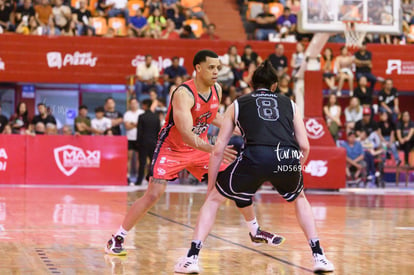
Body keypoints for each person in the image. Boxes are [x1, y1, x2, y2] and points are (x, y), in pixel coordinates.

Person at [174, 60, 334, 273]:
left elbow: (219, 148)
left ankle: (191, 259)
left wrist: (212, 185)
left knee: (213, 200)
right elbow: (304, 146)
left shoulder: (239, 103)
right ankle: (319, 257)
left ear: (252, 85)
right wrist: (295, 168)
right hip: (286, 156)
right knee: (300, 198)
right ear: (275, 86)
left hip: (256, 156)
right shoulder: (290, 104)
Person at [105, 50, 238, 256]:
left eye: (218, 68)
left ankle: (253, 229)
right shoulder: (183, 93)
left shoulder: (217, 89)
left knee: (230, 181)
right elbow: (185, 134)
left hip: (198, 148)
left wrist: (241, 129)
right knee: (153, 194)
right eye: (211, 67)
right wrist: (216, 149)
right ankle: (118, 236)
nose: (216, 72)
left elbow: (213, 117)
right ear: (198, 69)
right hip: (172, 148)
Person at [135, 99, 160, 185]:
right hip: (154, 142)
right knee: (153, 162)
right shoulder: (156, 117)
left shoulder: (141, 117)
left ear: (145, 105)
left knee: (142, 162)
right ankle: (153, 180)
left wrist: (138, 143)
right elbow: (158, 131)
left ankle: (139, 181)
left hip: (143, 143)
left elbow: (139, 131)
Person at [124, 98, 144, 183]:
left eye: (135, 103)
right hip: (130, 138)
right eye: (132, 103)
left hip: (139, 138)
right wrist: (136, 124)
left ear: (137, 104)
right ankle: (127, 175)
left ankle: (139, 176)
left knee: (140, 159)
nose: (133, 105)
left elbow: (142, 126)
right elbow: (127, 126)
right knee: (129, 158)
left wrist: (133, 124)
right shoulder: (127, 114)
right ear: (129, 104)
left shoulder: (141, 113)